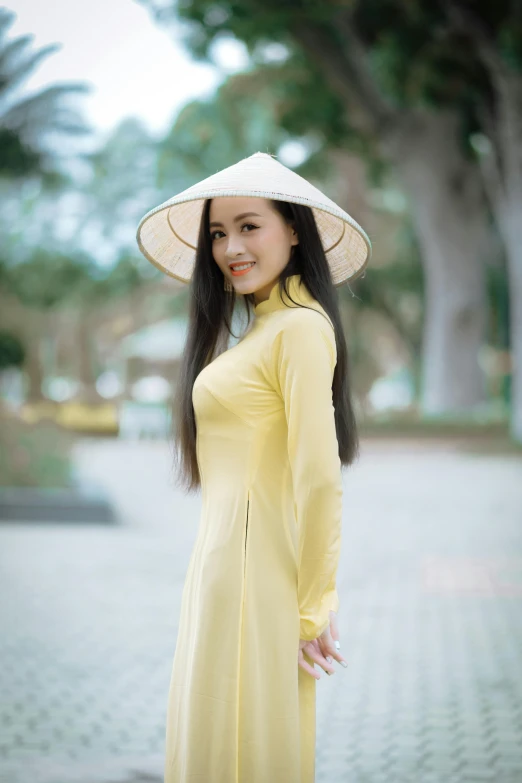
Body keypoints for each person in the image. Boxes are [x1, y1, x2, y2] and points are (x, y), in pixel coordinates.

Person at [136, 151, 371, 783]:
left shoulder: (298, 328)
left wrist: (314, 606)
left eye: (248, 226)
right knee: (217, 738)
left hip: (255, 577)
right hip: (220, 568)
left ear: (294, 229)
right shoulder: (260, 329)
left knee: (245, 745)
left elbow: (318, 479)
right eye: (217, 233)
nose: (229, 247)